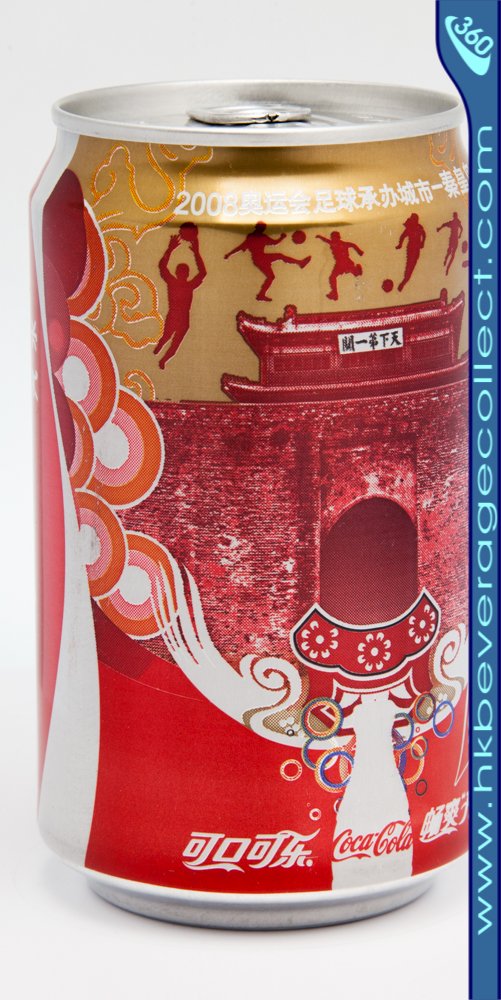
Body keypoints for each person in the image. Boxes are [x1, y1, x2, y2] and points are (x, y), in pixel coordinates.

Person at [155, 223, 206, 369]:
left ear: (186, 274)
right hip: (175, 315)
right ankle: (159, 350)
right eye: (181, 271)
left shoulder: (184, 284)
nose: (183, 273)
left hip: (183, 317)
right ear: (178, 273)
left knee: (175, 343)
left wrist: (196, 252)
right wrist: (170, 249)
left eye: (184, 271)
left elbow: (203, 273)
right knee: (166, 338)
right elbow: (162, 267)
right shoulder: (175, 283)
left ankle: (163, 360)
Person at [224, 222, 310, 301]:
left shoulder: (260, 237)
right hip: (259, 258)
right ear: (258, 227)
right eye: (262, 228)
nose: (263, 229)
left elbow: (274, 242)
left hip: (260, 258)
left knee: (272, 274)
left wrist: (281, 238)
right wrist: (229, 254)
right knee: (277, 261)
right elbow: (240, 247)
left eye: (263, 228)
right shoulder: (252, 237)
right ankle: (300, 263)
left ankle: (261, 295)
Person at [315, 230, 364, 300]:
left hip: (345, 262)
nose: (333, 239)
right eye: (332, 238)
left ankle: (356, 271)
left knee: (334, 276)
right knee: (332, 277)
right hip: (341, 264)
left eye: (334, 237)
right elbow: (326, 240)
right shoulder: (335, 243)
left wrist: (359, 251)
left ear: (338, 237)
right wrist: (320, 237)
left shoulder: (340, 243)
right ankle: (334, 293)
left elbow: (353, 245)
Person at [395, 213, 426, 292]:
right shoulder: (410, 228)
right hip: (411, 249)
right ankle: (405, 280)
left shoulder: (419, 228)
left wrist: (422, 243)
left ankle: (405, 280)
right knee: (409, 265)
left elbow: (424, 234)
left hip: (416, 249)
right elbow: (402, 236)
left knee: (411, 265)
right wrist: (400, 244)